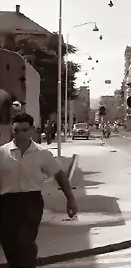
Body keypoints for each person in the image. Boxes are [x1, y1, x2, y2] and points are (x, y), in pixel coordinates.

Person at [0, 112, 78, 268]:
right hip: (6, 203)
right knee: (9, 244)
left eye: (24, 130)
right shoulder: (2, 153)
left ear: (31, 130)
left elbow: (59, 175)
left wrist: (71, 199)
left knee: (25, 241)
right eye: (16, 131)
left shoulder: (42, 153)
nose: (20, 134)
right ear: (12, 130)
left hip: (31, 202)